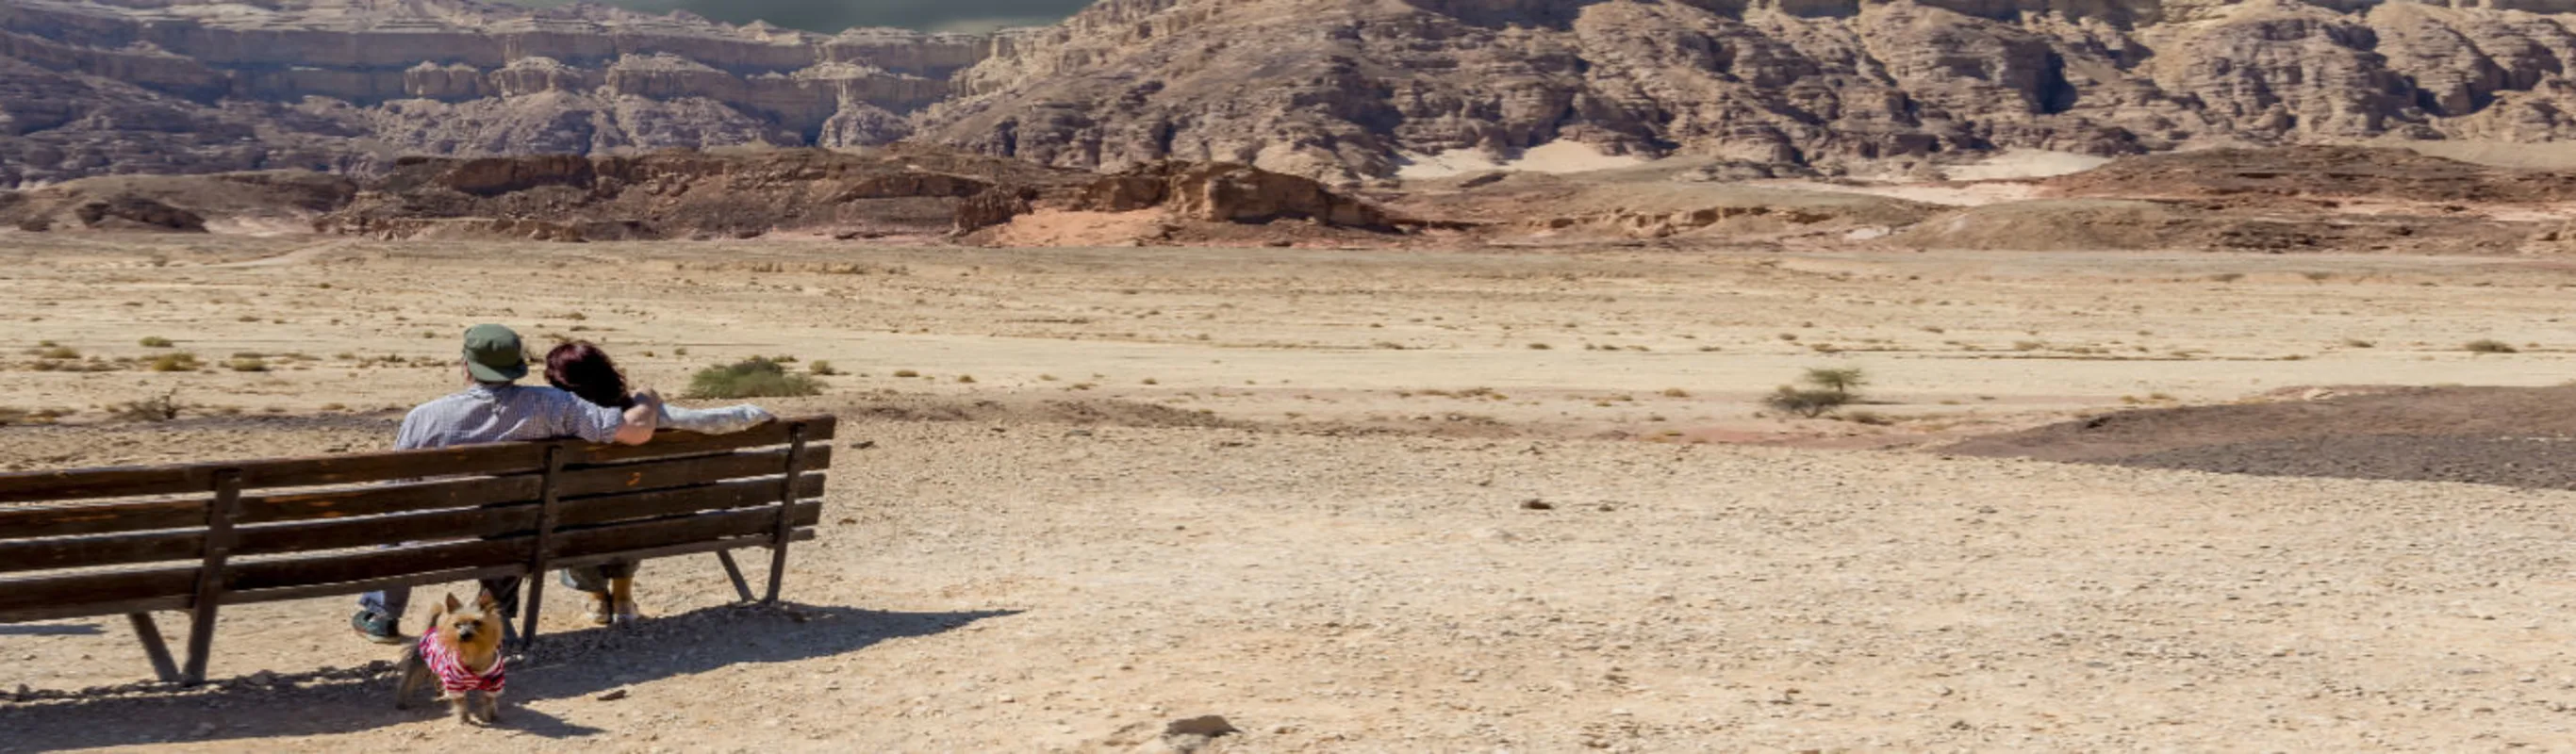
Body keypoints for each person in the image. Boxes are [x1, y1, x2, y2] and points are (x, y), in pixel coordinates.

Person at [351, 324, 665, 645]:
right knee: (509, 521)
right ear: (517, 365)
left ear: (466, 366)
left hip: (441, 538)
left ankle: (382, 614)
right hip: (522, 535)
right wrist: (646, 398)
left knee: (398, 521)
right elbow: (636, 431)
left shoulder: (425, 417)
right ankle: (498, 610)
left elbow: (396, 492)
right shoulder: (556, 405)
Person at [542, 340, 774, 625]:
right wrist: (647, 398)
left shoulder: (553, 424)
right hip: (649, 521)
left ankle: (598, 598)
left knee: (578, 513)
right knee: (631, 505)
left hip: (579, 525)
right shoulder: (651, 418)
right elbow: (722, 419)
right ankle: (624, 598)